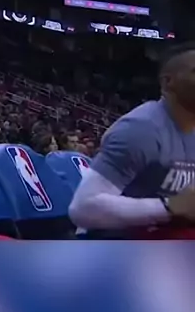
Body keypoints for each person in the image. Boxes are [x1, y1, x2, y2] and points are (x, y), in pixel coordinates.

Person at [69, 43, 195, 237]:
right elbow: (83, 208)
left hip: (166, 239)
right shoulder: (140, 129)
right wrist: (170, 206)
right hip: (111, 243)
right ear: (168, 82)